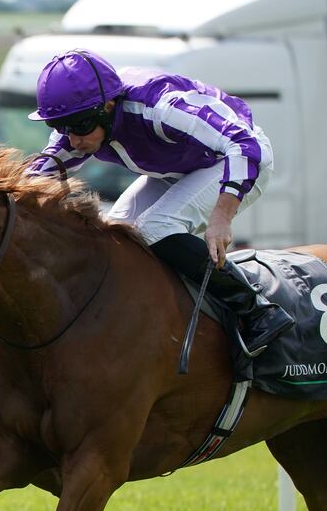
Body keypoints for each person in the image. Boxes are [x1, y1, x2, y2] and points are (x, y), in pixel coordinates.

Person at [28, 49, 294, 357]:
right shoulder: (83, 123)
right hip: (181, 167)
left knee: (155, 228)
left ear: (108, 106)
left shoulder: (160, 106)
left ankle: (258, 310)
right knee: (117, 238)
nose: (72, 139)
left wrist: (222, 217)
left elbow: (243, 144)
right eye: (60, 127)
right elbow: (35, 176)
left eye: (79, 126)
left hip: (238, 159)